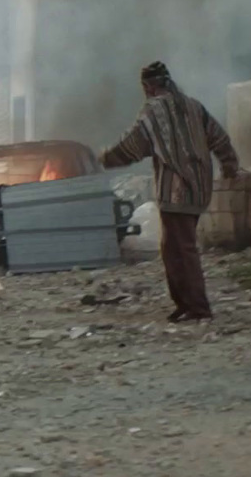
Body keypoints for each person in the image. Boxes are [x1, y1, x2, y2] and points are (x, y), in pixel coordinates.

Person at [100, 61, 239, 324]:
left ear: (148, 86)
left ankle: (198, 306)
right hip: (199, 187)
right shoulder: (194, 106)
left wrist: (105, 158)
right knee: (171, 246)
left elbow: (133, 144)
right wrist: (229, 163)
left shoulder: (153, 110)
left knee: (182, 247)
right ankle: (185, 304)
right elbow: (219, 137)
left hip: (175, 188)